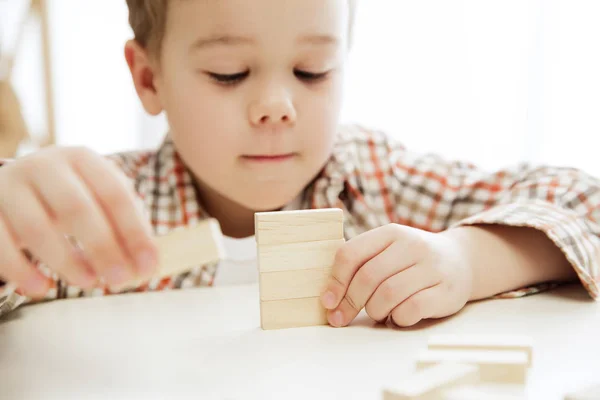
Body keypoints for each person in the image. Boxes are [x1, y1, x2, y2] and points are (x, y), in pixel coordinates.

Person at [0, 0, 598, 327]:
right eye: (229, 74)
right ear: (149, 77)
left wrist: (468, 259)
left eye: (313, 71)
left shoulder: (374, 180)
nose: (276, 107)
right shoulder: (102, 209)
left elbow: (584, 202)